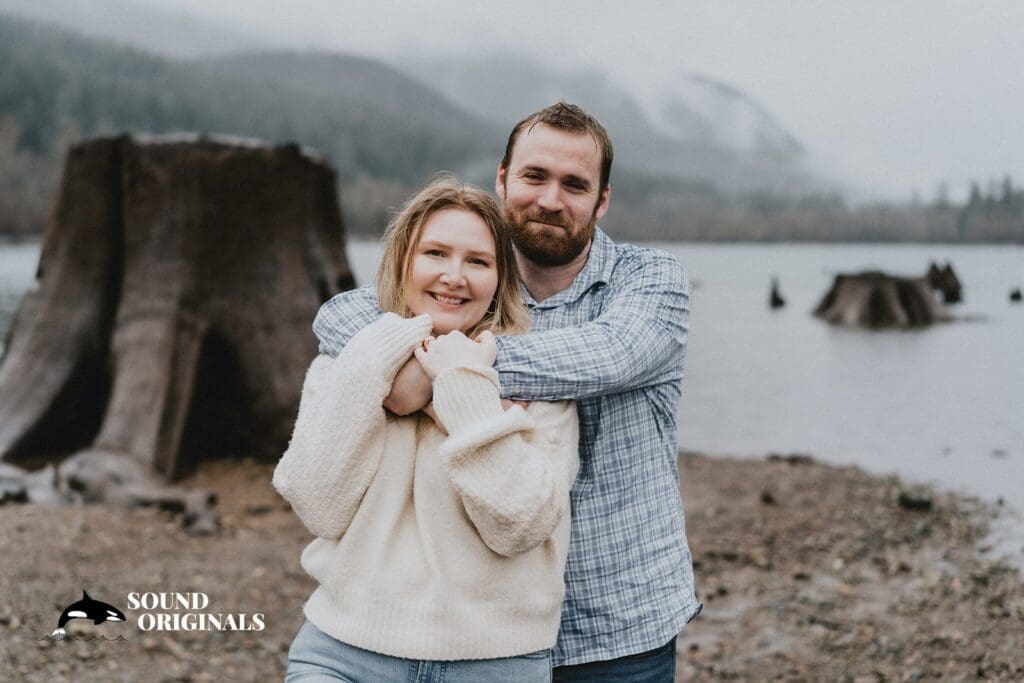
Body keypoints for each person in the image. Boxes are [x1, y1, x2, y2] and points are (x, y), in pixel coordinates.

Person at [315, 102, 702, 682]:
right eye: (534, 177)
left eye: (575, 184)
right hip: (484, 634)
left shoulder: (648, 281)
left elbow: (612, 355)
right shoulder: (470, 279)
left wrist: (442, 371)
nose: (550, 199)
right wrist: (398, 366)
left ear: (602, 200)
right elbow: (338, 315)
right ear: (502, 179)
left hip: (616, 626)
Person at [274, 176, 580, 682]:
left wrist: (462, 389)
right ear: (403, 262)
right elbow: (319, 506)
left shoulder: (538, 384)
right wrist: (378, 360)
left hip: (495, 663)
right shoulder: (348, 364)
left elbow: (520, 527)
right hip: (344, 652)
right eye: (435, 253)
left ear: (500, 279)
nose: (454, 276)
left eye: (478, 261)